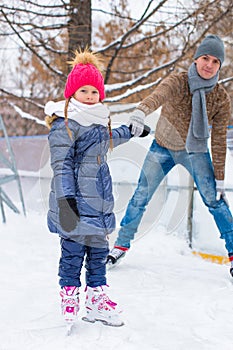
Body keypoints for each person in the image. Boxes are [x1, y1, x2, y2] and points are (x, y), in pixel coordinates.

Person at [107, 34, 233, 277]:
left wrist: (219, 177)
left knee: (214, 200)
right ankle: (120, 246)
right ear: (196, 59)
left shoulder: (221, 98)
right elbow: (157, 96)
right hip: (162, 147)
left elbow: (218, 139)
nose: (209, 65)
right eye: (205, 58)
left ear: (220, 66)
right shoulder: (178, 81)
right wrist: (140, 112)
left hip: (195, 151)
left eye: (215, 61)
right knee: (141, 195)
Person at [44, 48, 150, 328]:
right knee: (73, 253)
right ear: (72, 94)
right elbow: (62, 166)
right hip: (75, 203)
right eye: (84, 91)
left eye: (94, 91)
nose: (90, 96)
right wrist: (67, 203)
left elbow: (110, 137)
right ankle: (69, 296)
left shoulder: (99, 120)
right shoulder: (64, 125)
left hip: (99, 203)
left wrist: (132, 130)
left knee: (99, 254)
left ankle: (96, 301)